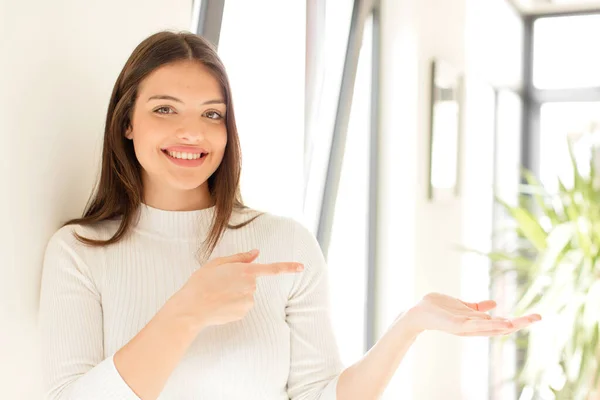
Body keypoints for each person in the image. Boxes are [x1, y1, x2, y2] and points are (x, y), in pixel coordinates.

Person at [37, 30, 541, 400]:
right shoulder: (81, 253)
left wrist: (409, 326)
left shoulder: (283, 244)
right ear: (126, 122)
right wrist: (185, 311)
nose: (192, 132)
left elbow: (319, 394)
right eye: (165, 109)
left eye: (212, 114)